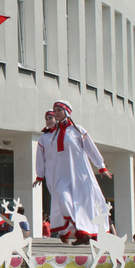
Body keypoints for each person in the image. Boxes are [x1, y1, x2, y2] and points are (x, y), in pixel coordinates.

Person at [48, 100, 113, 245]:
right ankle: (72, 230)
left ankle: (83, 233)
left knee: (84, 203)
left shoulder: (78, 130)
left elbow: (90, 148)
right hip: (62, 176)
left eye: (59, 110)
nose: (56, 113)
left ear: (67, 111)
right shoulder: (53, 134)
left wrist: (101, 166)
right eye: (55, 110)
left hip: (79, 174)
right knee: (64, 201)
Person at [33, 109, 72, 243]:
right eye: (47, 118)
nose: (49, 120)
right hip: (51, 174)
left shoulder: (64, 132)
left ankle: (75, 228)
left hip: (66, 172)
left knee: (66, 198)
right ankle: (63, 231)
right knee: (57, 200)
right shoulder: (44, 137)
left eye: (51, 118)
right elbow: (40, 157)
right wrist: (39, 175)